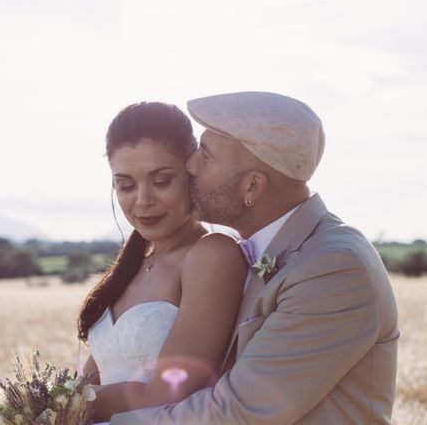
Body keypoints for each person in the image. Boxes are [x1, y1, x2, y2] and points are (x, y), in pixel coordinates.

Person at [110, 91, 400, 424]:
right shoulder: (255, 252)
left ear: (252, 187)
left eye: (205, 155)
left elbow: (239, 411)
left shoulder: (334, 269)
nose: (189, 164)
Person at [77, 102, 248, 423]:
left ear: (191, 172)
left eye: (161, 180)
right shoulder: (130, 266)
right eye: (125, 185)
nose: (142, 201)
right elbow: (89, 380)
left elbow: (167, 391)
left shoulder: (212, 255)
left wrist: (60, 405)